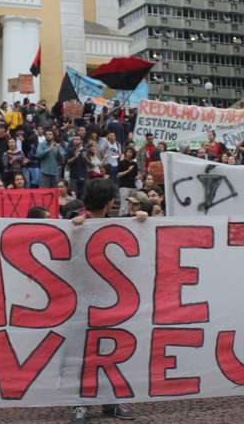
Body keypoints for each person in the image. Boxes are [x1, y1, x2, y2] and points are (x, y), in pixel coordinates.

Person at [70, 178, 141, 424]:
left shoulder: (116, 223)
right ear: (109, 201)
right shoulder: (74, 222)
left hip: (111, 301)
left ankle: (111, 401)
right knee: (84, 353)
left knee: (112, 351)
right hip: (82, 301)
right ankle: (81, 403)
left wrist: (144, 222)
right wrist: (74, 227)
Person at [117, 148, 139, 216]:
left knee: (132, 204)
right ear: (125, 153)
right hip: (124, 186)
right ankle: (122, 217)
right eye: (128, 152)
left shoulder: (134, 164)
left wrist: (139, 177)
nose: (129, 153)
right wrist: (128, 170)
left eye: (131, 152)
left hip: (133, 186)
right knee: (124, 204)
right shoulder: (121, 163)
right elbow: (118, 175)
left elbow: (135, 175)